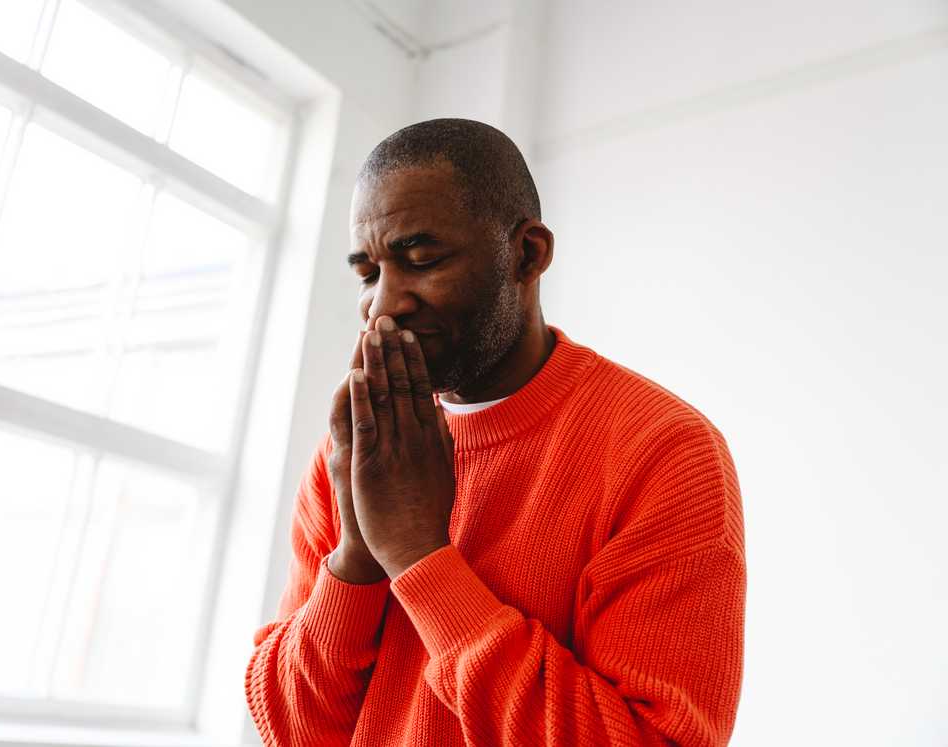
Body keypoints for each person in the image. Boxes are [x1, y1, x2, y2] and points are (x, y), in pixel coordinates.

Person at [244, 118, 746, 746]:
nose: (384, 306)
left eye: (422, 261)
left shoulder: (663, 451)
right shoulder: (358, 448)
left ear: (527, 255)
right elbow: (292, 729)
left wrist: (417, 554)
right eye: (368, 273)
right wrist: (357, 557)